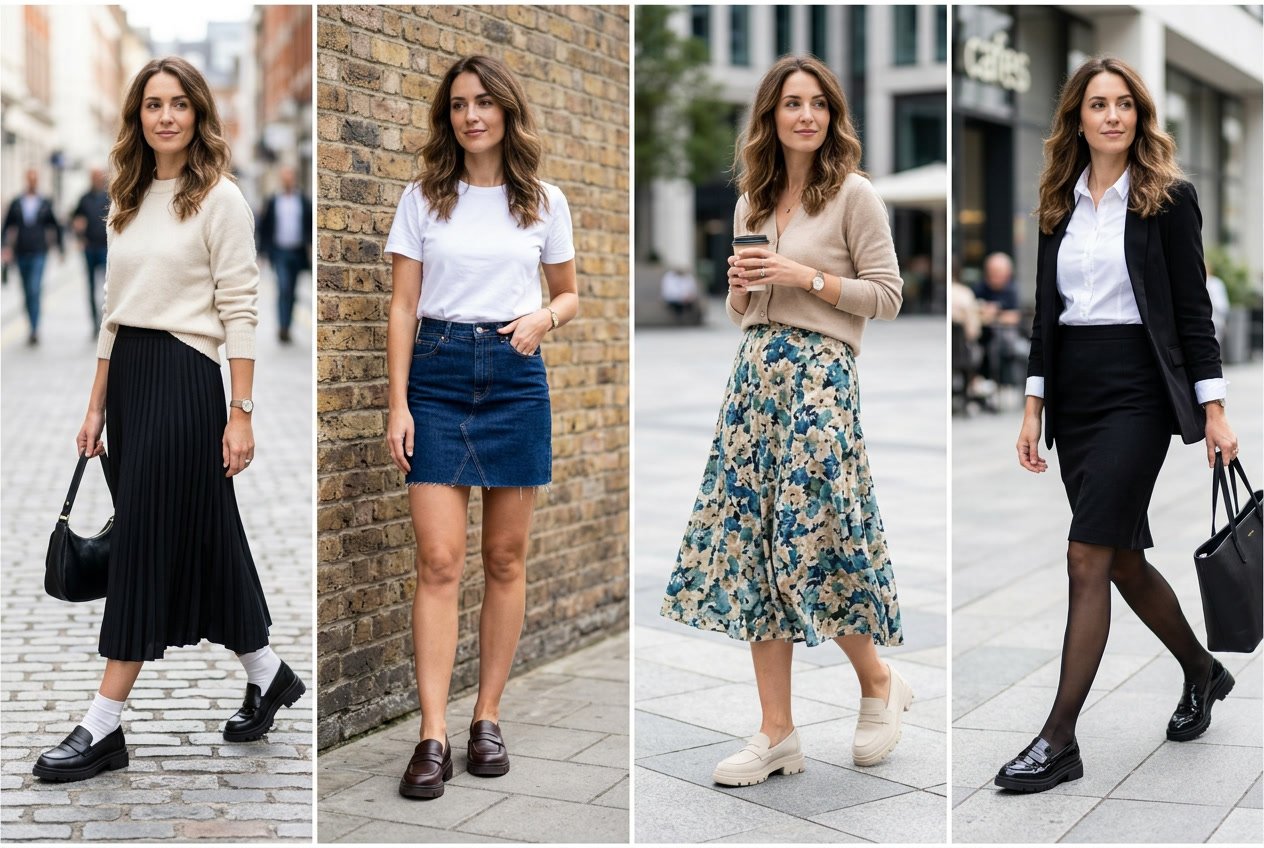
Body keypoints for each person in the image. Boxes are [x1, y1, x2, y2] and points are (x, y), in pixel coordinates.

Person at [32, 57, 305, 783]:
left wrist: (240, 413)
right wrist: (94, 406)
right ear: (138, 115)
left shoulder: (221, 199)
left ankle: (102, 726)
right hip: (128, 387)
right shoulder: (124, 197)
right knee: (205, 537)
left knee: (145, 543)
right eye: (153, 104)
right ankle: (268, 672)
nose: (165, 116)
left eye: (179, 104)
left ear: (198, 114)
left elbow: (241, 308)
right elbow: (112, 315)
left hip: (187, 382)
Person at [660, 55, 910, 787]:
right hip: (755, 380)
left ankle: (877, 679)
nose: (806, 115)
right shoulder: (752, 201)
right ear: (770, 116)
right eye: (792, 103)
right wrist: (739, 289)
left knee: (819, 533)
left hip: (823, 376)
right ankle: (777, 733)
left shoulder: (854, 195)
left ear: (833, 116)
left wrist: (809, 278)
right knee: (756, 548)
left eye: (818, 104)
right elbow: (744, 309)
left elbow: (888, 296)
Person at [999, 56, 1238, 794]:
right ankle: (1202, 670)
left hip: (1139, 390)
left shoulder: (1168, 199)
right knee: (1122, 559)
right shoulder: (1056, 203)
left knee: (1086, 555)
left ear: (1139, 116)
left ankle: (1059, 738)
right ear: (1077, 116)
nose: (1111, 115)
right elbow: (1048, 312)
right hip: (1076, 394)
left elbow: (1192, 314)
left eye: (1124, 104)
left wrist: (1215, 406)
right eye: (1097, 104)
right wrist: (1034, 403)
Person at [383, 54, 578, 800]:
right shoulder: (423, 198)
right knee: (439, 559)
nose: (470, 116)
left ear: (506, 111)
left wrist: (542, 317)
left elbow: (570, 296)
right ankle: (432, 732)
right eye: (459, 104)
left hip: (515, 378)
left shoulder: (544, 202)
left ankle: (486, 717)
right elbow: (403, 306)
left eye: (483, 103)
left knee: (504, 559)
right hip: (434, 377)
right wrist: (397, 403)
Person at [2, 168, 64, 345]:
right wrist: (4, 248)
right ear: (25, 181)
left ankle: (35, 329)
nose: (32, 183)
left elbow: (55, 225)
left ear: (37, 181)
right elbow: (6, 227)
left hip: (39, 252)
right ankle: (30, 324)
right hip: (20, 253)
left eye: (34, 180)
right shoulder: (16, 202)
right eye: (29, 179)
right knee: (26, 292)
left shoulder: (45, 202)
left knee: (34, 289)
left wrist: (60, 248)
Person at [256, 165, 311, 343]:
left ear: (293, 179)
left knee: (292, 291)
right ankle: (283, 327)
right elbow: (264, 228)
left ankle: (288, 325)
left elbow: (309, 225)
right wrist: (262, 253)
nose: (287, 180)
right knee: (283, 288)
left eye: (290, 177)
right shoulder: (273, 201)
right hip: (279, 252)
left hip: (297, 252)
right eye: (285, 177)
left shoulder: (302, 200)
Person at [72, 168, 112, 333]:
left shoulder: (109, 198)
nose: (97, 180)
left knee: (105, 286)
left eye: (99, 177)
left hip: (105, 247)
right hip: (89, 247)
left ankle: (105, 320)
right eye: (94, 177)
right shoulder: (84, 198)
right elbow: (75, 218)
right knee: (90, 286)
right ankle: (94, 322)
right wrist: (78, 235)